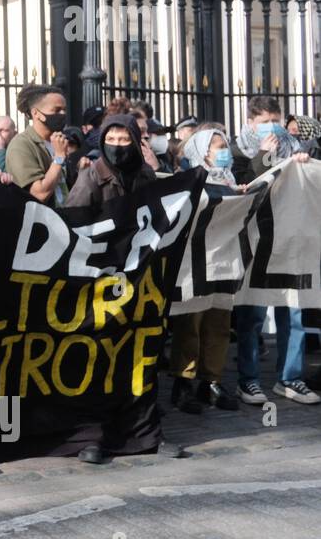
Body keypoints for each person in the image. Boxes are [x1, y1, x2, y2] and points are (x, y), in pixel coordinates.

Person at [229, 95, 318, 407]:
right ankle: (248, 379)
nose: (272, 128)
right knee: (253, 313)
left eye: (276, 121)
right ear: (251, 122)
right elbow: (241, 187)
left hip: (290, 240)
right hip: (255, 240)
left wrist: (304, 164)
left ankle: (290, 377)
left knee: (293, 310)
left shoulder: (296, 150)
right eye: (265, 121)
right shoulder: (238, 151)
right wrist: (263, 157)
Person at [167, 126, 244, 414]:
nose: (222, 151)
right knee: (192, 321)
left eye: (224, 145)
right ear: (202, 150)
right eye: (216, 146)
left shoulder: (230, 178)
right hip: (196, 259)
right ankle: (183, 381)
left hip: (223, 258)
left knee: (220, 321)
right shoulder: (187, 178)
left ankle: (211, 379)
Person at [64, 113, 156, 214]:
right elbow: (73, 219)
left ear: (134, 142)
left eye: (124, 139)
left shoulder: (146, 174)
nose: (116, 145)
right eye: (110, 139)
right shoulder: (91, 178)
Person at [5, 84, 70, 206]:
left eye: (64, 110)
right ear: (36, 113)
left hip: (65, 218)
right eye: (56, 110)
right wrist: (59, 158)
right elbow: (39, 194)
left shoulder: (59, 141)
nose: (62, 114)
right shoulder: (21, 145)